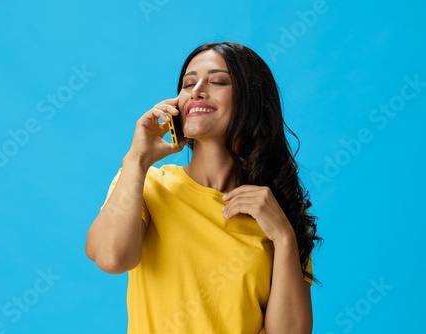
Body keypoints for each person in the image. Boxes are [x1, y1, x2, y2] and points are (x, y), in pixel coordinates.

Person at [85, 41, 320, 334]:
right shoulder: (145, 183)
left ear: (253, 101)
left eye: (218, 81)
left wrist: (284, 237)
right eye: (188, 83)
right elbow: (111, 258)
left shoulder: (277, 214)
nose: (196, 90)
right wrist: (136, 159)